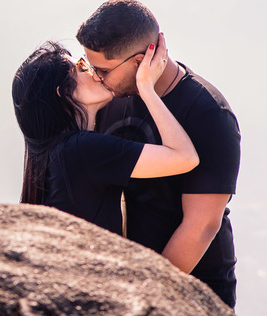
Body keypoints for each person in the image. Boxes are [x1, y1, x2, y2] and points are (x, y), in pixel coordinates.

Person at [78, 0, 241, 308]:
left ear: (140, 61)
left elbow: (201, 225)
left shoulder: (207, 113)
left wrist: (150, 293)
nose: (95, 78)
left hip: (193, 290)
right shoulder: (112, 95)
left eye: (102, 70)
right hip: (128, 280)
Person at [12, 35, 198, 240]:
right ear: (63, 92)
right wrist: (146, 87)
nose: (96, 73)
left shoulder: (59, 153)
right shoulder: (81, 149)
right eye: (82, 67)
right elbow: (184, 157)